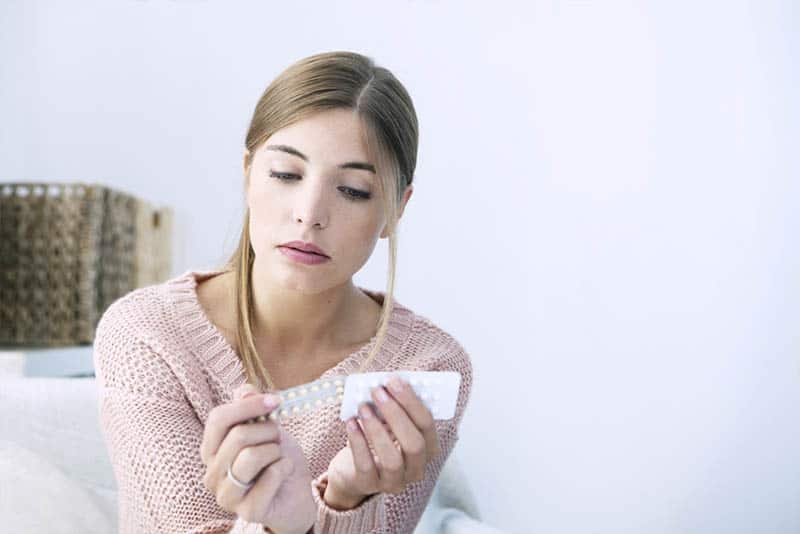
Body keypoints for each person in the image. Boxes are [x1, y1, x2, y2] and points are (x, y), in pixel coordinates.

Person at [93, 50, 473, 534]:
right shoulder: (147, 336)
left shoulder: (429, 366)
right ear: (249, 173)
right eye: (286, 175)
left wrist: (346, 497)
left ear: (396, 209)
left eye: (354, 190)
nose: (309, 213)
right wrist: (279, 525)